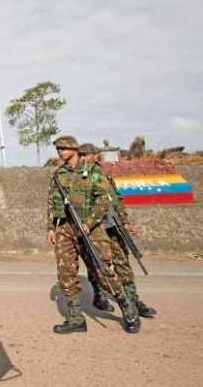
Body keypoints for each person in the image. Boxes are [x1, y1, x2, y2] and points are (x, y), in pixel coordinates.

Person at [47, 136, 140, 334]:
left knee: (102, 270)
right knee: (66, 273)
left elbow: (104, 200)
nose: (60, 152)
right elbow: (51, 203)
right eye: (58, 149)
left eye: (63, 148)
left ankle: (128, 309)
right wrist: (50, 227)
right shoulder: (58, 174)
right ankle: (76, 319)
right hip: (66, 228)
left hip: (91, 227)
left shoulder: (92, 171)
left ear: (73, 149)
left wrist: (89, 223)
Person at [78, 143, 157, 318]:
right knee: (97, 265)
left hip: (113, 225)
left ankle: (133, 299)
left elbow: (116, 199)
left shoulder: (104, 174)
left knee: (122, 263)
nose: (83, 158)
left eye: (86, 154)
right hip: (94, 228)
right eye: (80, 155)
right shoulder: (78, 175)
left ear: (96, 155)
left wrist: (125, 222)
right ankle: (98, 295)